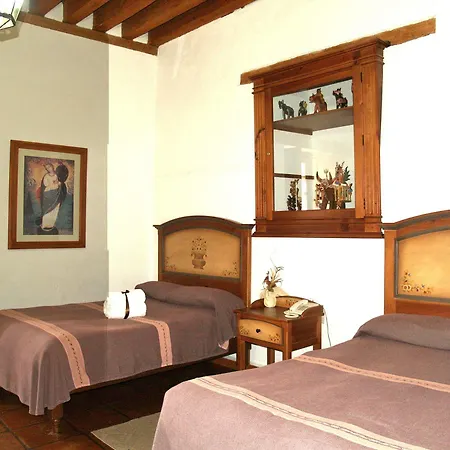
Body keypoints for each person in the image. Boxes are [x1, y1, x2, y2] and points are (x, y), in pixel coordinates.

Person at [36, 162, 69, 234]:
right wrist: (53, 184)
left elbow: (61, 182)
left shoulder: (57, 175)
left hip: (56, 195)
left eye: (49, 167)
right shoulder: (46, 176)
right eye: (47, 168)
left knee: (54, 211)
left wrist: (59, 183)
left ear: (52, 167)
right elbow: (45, 185)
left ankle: (51, 225)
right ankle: (44, 226)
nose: (48, 169)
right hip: (48, 195)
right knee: (47, 212)